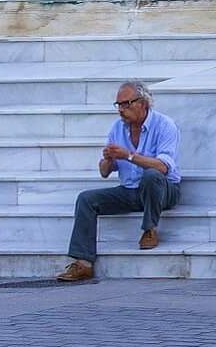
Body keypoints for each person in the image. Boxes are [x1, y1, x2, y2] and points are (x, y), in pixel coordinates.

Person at [56, 81, 182, 282]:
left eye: (126, 104)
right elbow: (105, 172)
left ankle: (149, 230)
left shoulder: (165, 125)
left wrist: (129, 156)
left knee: (151, 176)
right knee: (86, 199)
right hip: (130, 190)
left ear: (143, 103)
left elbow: (163, 167)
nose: (121, 110)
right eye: (118, 105)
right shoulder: (117, 128)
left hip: (164, 190)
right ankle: (83, 263)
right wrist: (107, 160)